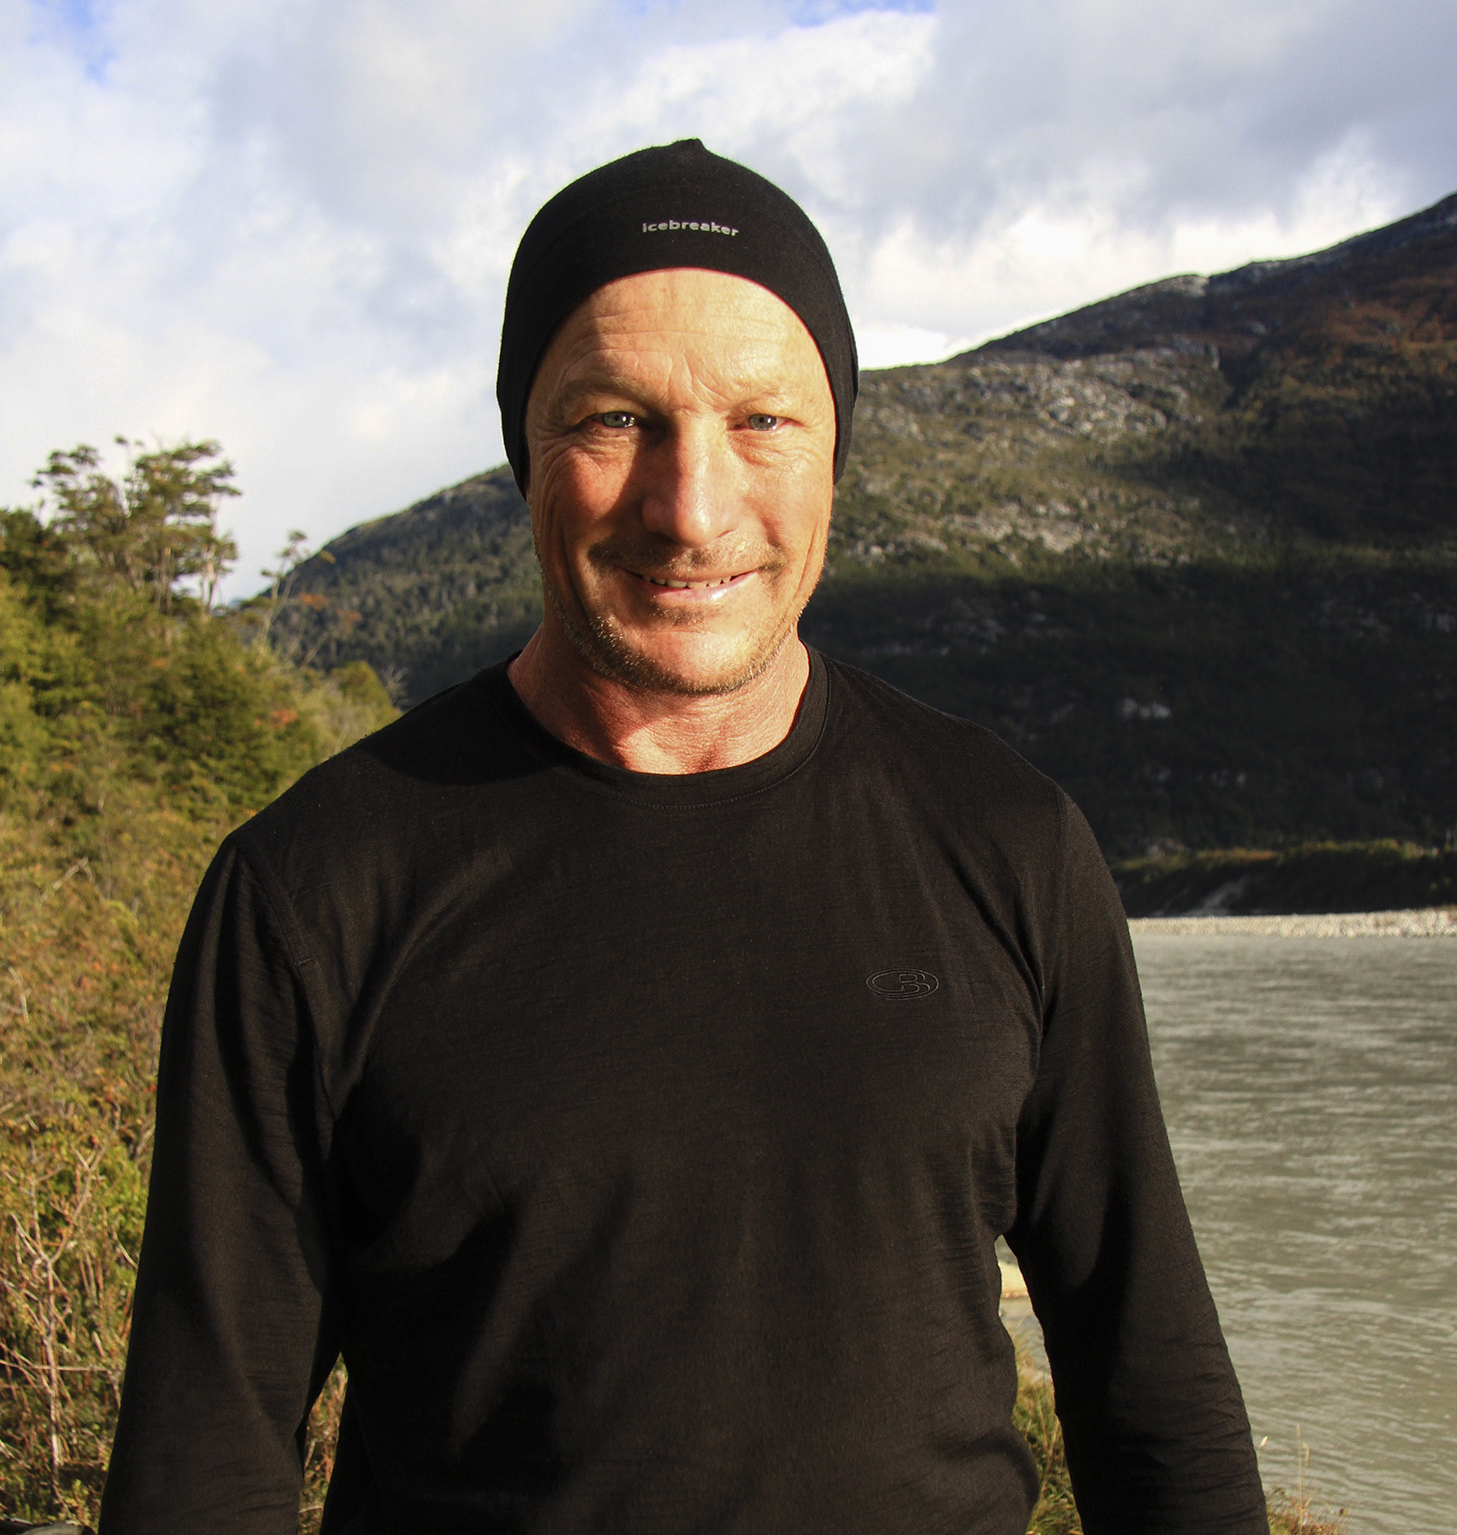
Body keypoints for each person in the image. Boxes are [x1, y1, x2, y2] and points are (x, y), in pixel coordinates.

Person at [100, 140, 1269, 1534]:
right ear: (523, 453)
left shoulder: (1010, 842)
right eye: (614, 419)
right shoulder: (312, 888)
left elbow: (1154, 1392)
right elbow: (202, 1456)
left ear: (836, 453)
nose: (691, 509)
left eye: (762, 421)